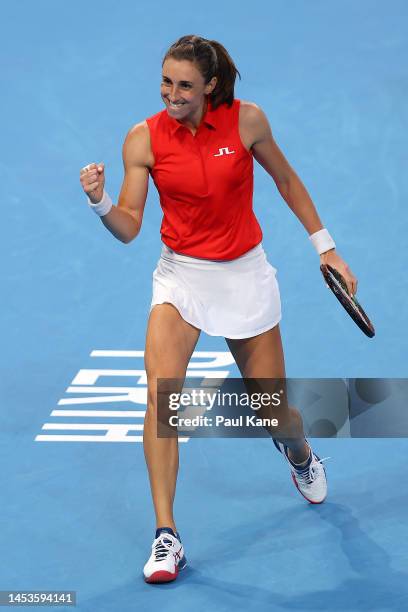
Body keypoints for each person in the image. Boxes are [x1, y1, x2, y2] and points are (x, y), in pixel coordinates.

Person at [79, 34, 358, 584]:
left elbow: (285, 178)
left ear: (210, 85)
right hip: (181, 277)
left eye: (184, 84)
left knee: (271, 412)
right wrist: (99, 202)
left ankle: (299, 453)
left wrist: (325, 245)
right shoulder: (143, 139)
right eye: (165, 82)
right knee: (162, 400)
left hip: (245, 275)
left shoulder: (247, 121)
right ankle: (167, 536)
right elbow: (130, 228)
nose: (171, 94)